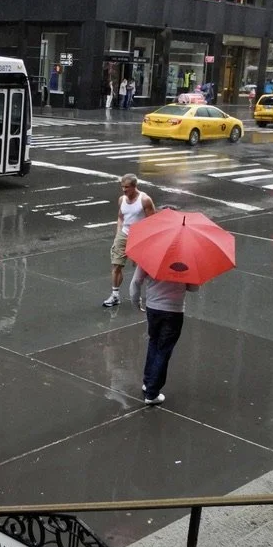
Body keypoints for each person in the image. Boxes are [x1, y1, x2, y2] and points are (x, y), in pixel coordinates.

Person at [130, 258, 198, 406]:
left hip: (153, 307)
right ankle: (152, 393)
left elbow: (136, 282)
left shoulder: (150, 255)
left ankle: (148, 382)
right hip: (174, 310)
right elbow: (194, 288)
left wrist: (135, 301)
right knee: (164, 350)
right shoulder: (187, 259)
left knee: (153, 342)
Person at [102, 174, 156, 307]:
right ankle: (115, 295)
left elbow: (152, 222)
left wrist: (144, 240)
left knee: (142, 269)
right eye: (122, 187)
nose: (124, 190)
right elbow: (120, 217)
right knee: (116, 265)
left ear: (134, 186)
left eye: (127, 187)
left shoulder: (145, 200)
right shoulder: (122, 199)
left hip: (140, 236)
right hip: (124, 234)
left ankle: (147, 294)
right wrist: (119, 232)